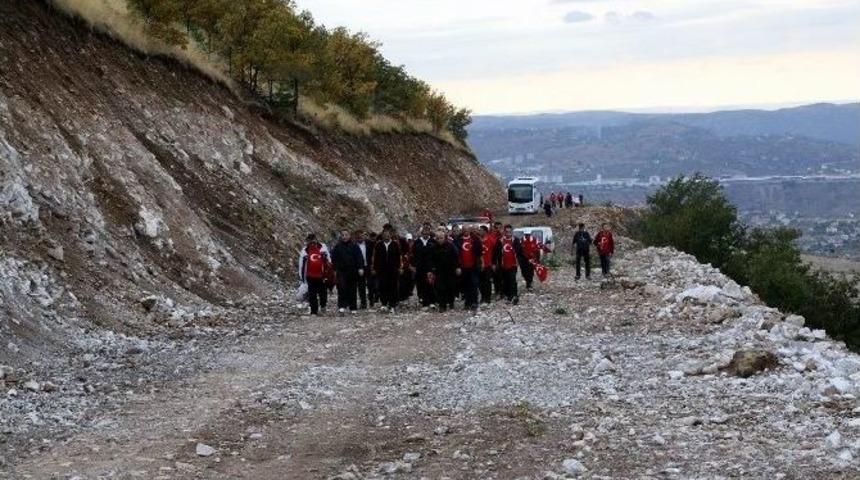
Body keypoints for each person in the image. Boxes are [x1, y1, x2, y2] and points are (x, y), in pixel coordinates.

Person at [331, 229, 364, 314]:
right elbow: (334, 259)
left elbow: (359, 257)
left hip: (352, 271)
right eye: (342, 235)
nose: (344, 237)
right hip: (341, 271)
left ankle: (353, 307)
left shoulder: (354, 246)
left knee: (352, 289)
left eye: (346, 235)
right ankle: (342, 306)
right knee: (341, 288)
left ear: (350, 236)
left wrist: (360, 268)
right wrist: (334, 269)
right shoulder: (337, 247)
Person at [298, 233, 330, 315]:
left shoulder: (323, 248)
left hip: (322, 275)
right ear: (307, 241)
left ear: (316, 239)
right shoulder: (305, 251)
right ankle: (314, 311)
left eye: (313, 239)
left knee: (323, 293)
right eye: (310, 240)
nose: (312, 242)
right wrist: (302, 278)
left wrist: (329, 273)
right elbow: (301, 265)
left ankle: (323, 306)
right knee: (312, 294)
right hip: (310, 276)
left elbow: (328, 261)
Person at [372, 226, 402, 311]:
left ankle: (392, 304)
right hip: (381, 270)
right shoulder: (378, 245)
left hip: (393, 269)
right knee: (382, 286)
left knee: (393, 286)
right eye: (384, 235)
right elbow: (375, 257)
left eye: (388, 235)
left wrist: (400, 267)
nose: (386, 236)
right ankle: (384, 303)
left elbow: (399, 257)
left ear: (390, 235)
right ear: (382, 236)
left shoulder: (395, 244)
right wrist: (374, 268)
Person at [430, 227, 459, 312]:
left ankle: (451, 302)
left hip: (450, 270)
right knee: (440, 288)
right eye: (438, 238)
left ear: (444, 238)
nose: (439, 240)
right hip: (439, 271)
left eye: (441, 238)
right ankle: (442, 305)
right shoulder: (433, 247)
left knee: (450, 287)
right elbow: (431, 259)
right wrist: (431, 270)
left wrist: (457, 267)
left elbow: (455, 257)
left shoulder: (450, 246)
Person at [493, 224, 523, 304]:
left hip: (513, 264)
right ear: (504, 232)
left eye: (509, 231)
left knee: (512, 280)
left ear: (512, 232)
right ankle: (508, 295)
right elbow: (495, 253)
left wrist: (519, 261)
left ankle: (514, 296)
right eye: (506, 231)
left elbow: (520, 252)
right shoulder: (500, 241)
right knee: (505, 280)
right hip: (503, 264)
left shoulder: (516, 240)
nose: (508, 233)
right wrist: (494, 263)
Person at [455, 226, 482, 312]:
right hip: (463, 266)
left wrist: (480, 263)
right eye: (464, 230)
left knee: (474, 285)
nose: (466, 231)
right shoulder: (457, 240)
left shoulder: (475, 239)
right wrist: (457, 266)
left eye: (467, 230)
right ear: (462, 231)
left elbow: (479, 252)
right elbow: (455, 254)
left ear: (470, 230)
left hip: (473, 266)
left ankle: (474, 302)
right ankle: (467, 302)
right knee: (465, 285)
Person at [412, 223, 437, 308]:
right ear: (422, 232)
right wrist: (414, 265)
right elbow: (413, 255)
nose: (426, 233)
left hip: (430, 267)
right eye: (424, 231)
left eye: (427, 231)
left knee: (430, 284)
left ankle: (432, 301)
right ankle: (424, 301)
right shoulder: (417, 242)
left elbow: (436, 255)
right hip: (420, 267)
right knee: (421, 284)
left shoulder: (433, 242)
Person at [478, 225, 496, 304]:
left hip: (488, 264)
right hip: (480, 265)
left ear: (485, 231)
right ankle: (482, 296)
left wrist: (493, 262)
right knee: (480, 282)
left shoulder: (490, 240)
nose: (479, 232)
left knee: (487, 282)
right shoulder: (478, 241)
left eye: (481, 230)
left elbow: (495, 251)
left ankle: (488, 297)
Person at [354, 230, 371, 309]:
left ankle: (372, 299)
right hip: (359, 268)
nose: (360, 237)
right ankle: (363, 302)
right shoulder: (353, 245)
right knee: (361, 286)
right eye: (358, 236)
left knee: (372, 284)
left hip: (369, 266)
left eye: (361, 236)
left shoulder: (369, 244)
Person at [491, 221, 504, 298]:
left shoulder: (504, 236)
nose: (498, 229)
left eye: (499, 228)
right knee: (496, 277)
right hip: (495, 259)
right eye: (496, 228)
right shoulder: (492, 237)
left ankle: (504, 292)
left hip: (504, 259)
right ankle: (498, 291)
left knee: (505, 276)